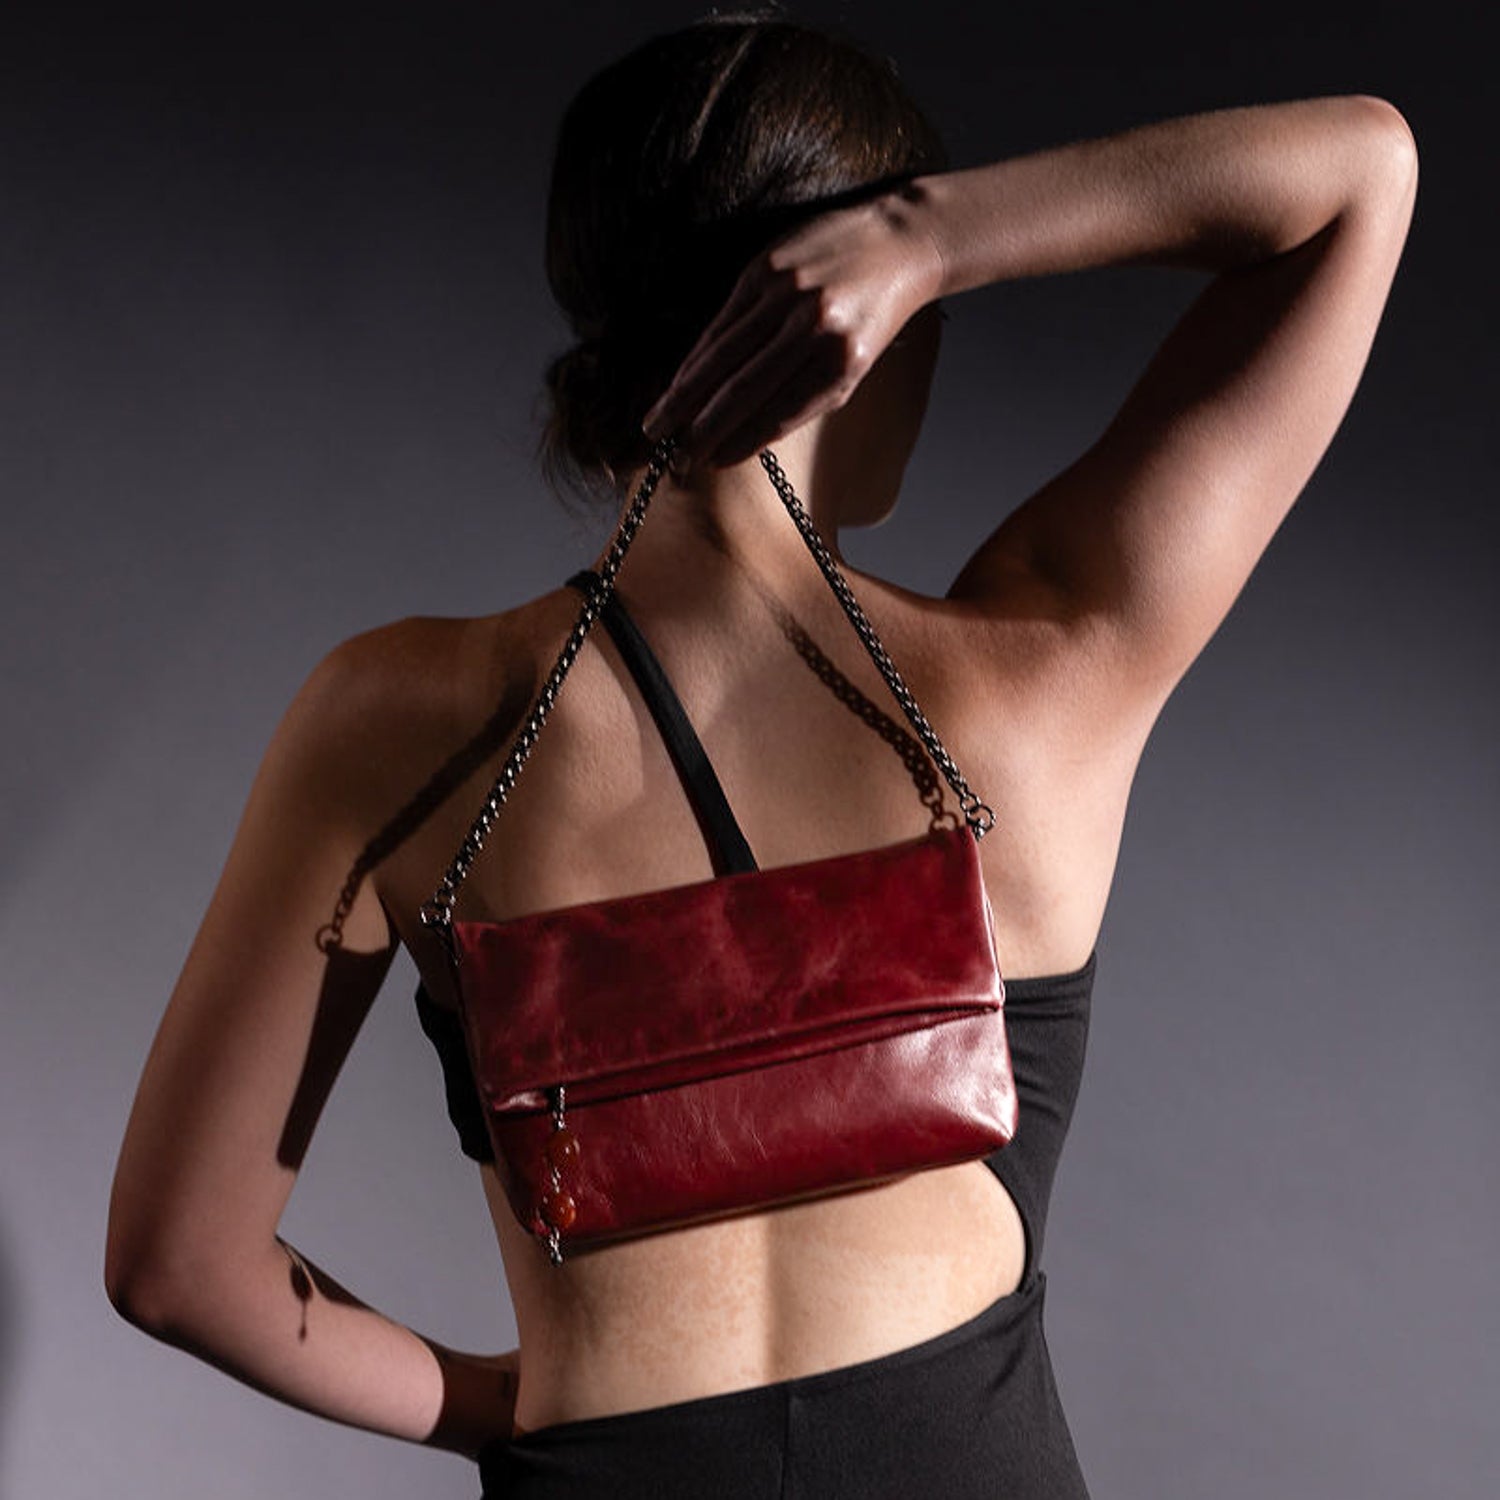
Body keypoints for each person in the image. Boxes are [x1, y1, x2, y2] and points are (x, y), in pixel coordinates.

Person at [104, 12, 1417, 1498]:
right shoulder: (1043, 677)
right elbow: (1362, 169)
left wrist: (506, 1405)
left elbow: (177, 1265)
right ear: (864, 323)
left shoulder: (397, 721)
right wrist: (937, 236)